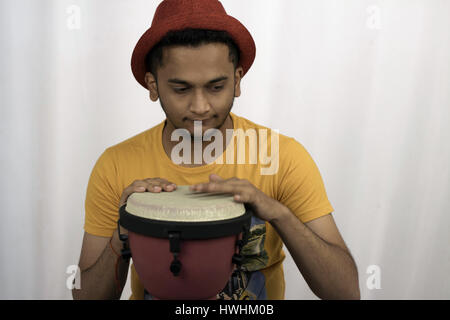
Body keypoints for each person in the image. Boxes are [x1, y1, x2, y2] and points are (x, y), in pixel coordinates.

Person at [72, 0, 360, 300]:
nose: (200, 107)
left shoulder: (283, 157)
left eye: (215, 86)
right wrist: (124, 229)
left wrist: (279, 214)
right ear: (153, 85)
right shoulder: (116, 165)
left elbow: (346, 293)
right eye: (181, 89)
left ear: (236, 80)